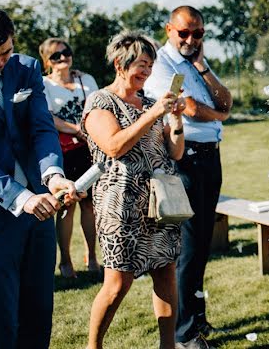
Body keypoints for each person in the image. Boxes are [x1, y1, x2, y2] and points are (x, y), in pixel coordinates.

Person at [0, 6, 79, 348]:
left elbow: (41, 128)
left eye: (6, 52)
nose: (0, 63)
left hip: (41, 211)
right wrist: (22, 199)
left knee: (38, 317)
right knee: (1, 321)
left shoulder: (24, 67)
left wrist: (53, 175)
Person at [82, 30, 186, 349]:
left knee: (166, 273)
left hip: (160, 201)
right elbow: (114, 146)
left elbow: (175, 152)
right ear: (119, 63)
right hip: (121, 203)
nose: (147, 72)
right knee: (117, 284)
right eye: (141, 64)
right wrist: (154, 114)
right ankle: (93, 346)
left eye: (151, 65)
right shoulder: (100, 101)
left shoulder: (152, 102)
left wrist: (177, 121)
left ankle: (167, 345)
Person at [144, 6, 232, 349]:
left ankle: (196, 318)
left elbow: (225, 99)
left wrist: (202, 66)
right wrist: (221, 114)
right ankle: (184, 333)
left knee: (202, 244)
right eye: (184, 33)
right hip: (185, 158)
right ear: (169, 30)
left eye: (198, 34)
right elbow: (191, 107)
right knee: (188, 247)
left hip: (210, 158)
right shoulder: (163, 64)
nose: (191, 40)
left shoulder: (195, 63)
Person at [39, 37, 101, 278]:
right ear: (47, 61)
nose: (63, 58)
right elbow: (46, 118)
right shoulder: (43, 84)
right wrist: (76, 129)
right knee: (66, 206)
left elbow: (97, 107)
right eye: (56, 55)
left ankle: (92, 257)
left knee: (90, 206)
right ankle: (65, 261)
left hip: (89, 150)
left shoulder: (85, 79)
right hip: (64, 150)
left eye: (66, 52)